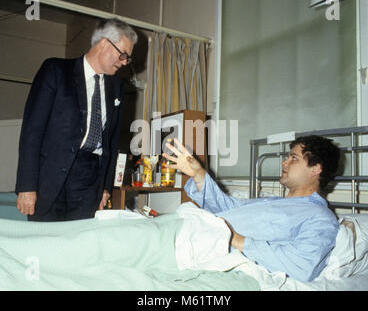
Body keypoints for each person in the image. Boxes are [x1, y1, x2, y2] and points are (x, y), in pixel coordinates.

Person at [163, 135, 341, 282]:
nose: (284, 163)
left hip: (197, 245)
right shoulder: (273, 202)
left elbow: (301, 266)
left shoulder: (320, 217)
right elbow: (227, 208)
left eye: (293, 158)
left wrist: (236, 238)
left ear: (316, 169)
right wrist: (199, 174)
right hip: (186, 230)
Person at [15, 18, 138, 221]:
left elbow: (112, 142)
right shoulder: (55, 71)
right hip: (50, 177)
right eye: (123, 54)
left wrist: (105, 187)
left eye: (128, 58)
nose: (125, 62)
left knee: (80, 246)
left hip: (90, 178)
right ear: (104, 44)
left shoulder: (117, 87)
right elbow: (32, 131)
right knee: (47, 243)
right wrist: (27, 186)